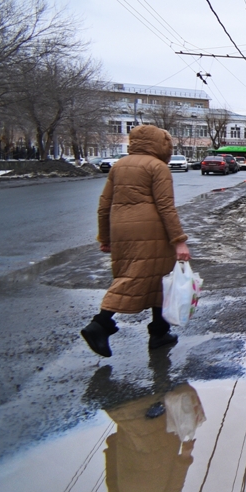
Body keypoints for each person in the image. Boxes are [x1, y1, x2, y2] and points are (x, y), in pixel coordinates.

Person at [82, 124, 191, 356]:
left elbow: (104, 205)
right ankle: (100, 324)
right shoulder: (158, 167)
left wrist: (105, 236)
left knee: (157, 278)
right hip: (151, 230)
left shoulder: (119, 165)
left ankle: (159, 333)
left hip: (122, 229)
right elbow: (166, 207)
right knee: (135, 277)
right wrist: (179, 240)